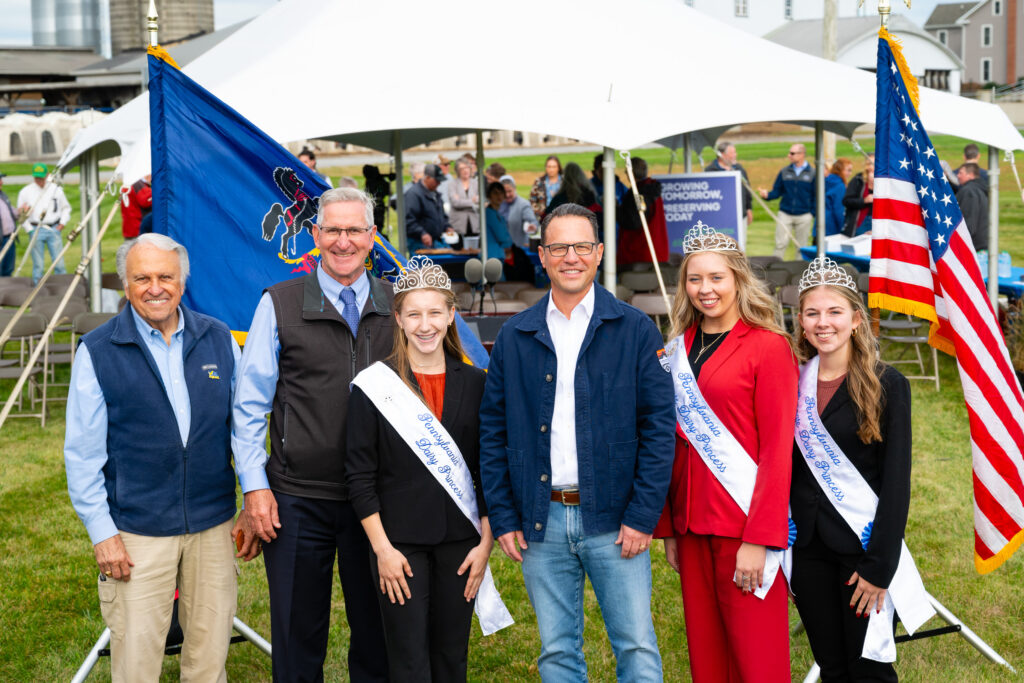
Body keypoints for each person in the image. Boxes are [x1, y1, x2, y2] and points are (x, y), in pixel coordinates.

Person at [480, 203, 675, 681]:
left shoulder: (634, 329)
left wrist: (642, 515)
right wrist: (503, 514)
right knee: (557, 651)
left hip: (615, 519)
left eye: (582, 246)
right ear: (542, 255)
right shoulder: (515, 335)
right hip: (541, 519)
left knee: (636, 645)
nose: (572, 257)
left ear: (600, 252)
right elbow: (492, 430)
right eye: (560, 247)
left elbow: (658, 428)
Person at [65, 233, 242, 682]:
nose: (155, 288)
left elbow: (243, 430)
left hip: (212, 525)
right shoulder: (98, 350)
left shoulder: (219, 338)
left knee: (209, 658)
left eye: (166, 276)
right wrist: (102, 533)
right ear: (125, 285)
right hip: (136, 532)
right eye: (142, 278)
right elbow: (82, 454)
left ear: (182, 282)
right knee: (137, 663)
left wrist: (255, 495)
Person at [232, 187, 390, 682]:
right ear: (316, 234)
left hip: (379, 500)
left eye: (355, 230)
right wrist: (255, 487)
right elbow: (249, 405)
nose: (344, 241)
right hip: (298, 499)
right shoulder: (279, 304)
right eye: (333, 230)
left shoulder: (399, 304)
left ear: (372, 236)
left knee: (380, 638)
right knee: (297, 640)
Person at [346, 257, 510, 682]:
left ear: (452, 315)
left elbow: (489, 468)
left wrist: (485, 544)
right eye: (414, 314)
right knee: (408, 660)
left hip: (462, 544)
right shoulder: (375, 386)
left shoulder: (476, 383)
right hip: (398, 545)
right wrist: (382, 550)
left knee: (452, 656)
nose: (425, 325)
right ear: (398, 319)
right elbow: (360, 476)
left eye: (435, 312)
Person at [654, 222, 797, 682]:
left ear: (738, 278)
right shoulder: (676, 351)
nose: (705, 289)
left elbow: (778, 450)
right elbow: (668, 443)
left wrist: (761, 538)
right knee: (708, 658)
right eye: (695, 279)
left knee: (757, 660)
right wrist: (670, 528)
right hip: (691, 526)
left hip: (743, 527)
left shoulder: (768, 347)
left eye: (717, 277)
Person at [790, 257, 919, 682]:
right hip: (807, 549)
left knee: (869, 670)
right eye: (812, 313)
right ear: (801, 321)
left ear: (856, 319)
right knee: (831, 667)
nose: (823, 323)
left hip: (861, 551)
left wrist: (880, 566)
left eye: (835, 312)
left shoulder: (888, 384)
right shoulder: (792, 381)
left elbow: (896, 483)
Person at [17, 162, 70, 284]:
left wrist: (62, 223)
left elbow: (66, 208)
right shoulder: (25, 192)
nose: (39, 180)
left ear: (47, 175)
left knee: (58, 262)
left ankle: (61, 284)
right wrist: (29, 229)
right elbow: (21, 214)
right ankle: (38, 286)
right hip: (35, 228)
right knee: (38, 264)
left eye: (41, 177)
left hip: (53, 228)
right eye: (36, 178)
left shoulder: (56, 190)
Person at [759, 143, 815, 258]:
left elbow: (817, 195)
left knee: (801, 246)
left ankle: (800, 268)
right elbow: (777, 191)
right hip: (785, 214)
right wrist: (767, 195)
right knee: (780, 244)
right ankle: (776, 266)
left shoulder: (813, 173)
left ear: (802, 154)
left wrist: (812, 213)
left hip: (804, 215)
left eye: (792, 153)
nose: (789, 155)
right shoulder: (784, 171)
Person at [618, 157, 669, 264]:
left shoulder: (639, 192)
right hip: (656, 249)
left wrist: (615, 210)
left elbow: (633, 222)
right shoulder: (652, 188)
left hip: (640, 251)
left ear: (630, 173)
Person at [705, 142, 753, 226]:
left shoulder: (739, 169)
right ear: (722, 155)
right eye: (732, 153)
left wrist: (749, 208)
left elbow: (746, 190)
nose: (735, 155)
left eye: (735, 152)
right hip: (719, 218)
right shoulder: (710, 171)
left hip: (741, 216)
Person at [406, 164, 449, 253]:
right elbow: (409, 220)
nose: (439, 183)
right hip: (418, 243)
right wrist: (422, 233)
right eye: (436, 180)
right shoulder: (413, 194)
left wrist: (447, 227)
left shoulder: (436, 194)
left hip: (435, 242)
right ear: (428, 177)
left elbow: (441, 215)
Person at [956, 162, 989, 250]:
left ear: (970, 175)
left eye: (961, 173)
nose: (958, 176)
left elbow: (969, 222)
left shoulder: (969, 191)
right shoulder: (979, 189)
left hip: (973, 246)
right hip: (982, 243)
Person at [499, 175, 539, 248]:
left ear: (514, 189)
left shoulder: (523, 204)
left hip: (518, 249)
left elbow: (533, 222)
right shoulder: (497, 204)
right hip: (500, 248)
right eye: (504, 192)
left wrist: (532, 227)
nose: (507, 195)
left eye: (509, 191)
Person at [842, 155, 875, 237]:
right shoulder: (858, 179)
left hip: (877, 222)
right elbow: (846, 201)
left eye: (874, 163)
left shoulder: (883, 180)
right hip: (861, 221)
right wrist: (864, 200)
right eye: (870, 163)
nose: (872, 166)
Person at [448, 158, 480, 237]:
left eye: (467, 168)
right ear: (457, 171)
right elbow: (455, 203)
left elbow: (480, 201)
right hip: (458, 224)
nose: (465, 171)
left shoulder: (476, 183)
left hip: (474, 223)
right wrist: (472, 201)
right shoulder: (452, 184)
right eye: (462, 169)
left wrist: (462, 201)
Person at [824, 158, 853, 237]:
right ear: (840, 170)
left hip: (819, 224)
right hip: (831, 227)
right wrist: (843, 227)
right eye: (848, 170)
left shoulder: (825, 181)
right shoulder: (839, 186)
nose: (850, 173)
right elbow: (838, 209)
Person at [119, 175, 152, 239]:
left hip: (130, 227)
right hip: (137, 228)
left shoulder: (130, 182)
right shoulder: (138, 184)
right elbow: (145, 201)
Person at [0, 171, 18, 276]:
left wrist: (21, 211)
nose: (1, 182)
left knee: (8, 269)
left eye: (1, 179)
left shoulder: (3, 195)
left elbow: (10, 212)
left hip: (9, 239)